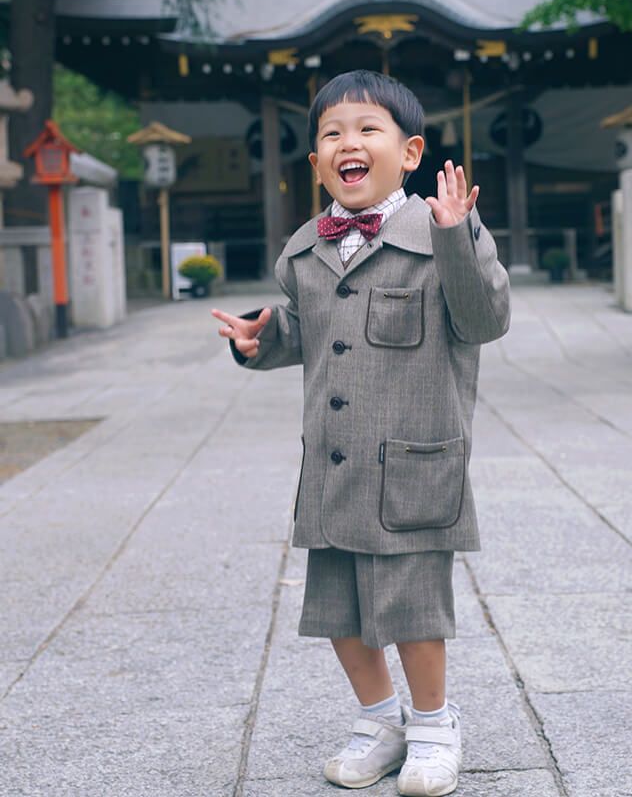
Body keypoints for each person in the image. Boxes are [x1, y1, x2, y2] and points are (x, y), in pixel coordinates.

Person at [212, 70, 510, 796]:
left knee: (411, 606)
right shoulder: (306, 250)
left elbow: (484, 319)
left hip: (414, 463)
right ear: (315, 162)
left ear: (409, 152)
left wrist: (454, 236)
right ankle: (379, 721)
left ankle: (436, 726)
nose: (349, 143)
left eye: (368, 130)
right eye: (332, 134)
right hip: (336, 462)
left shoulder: (442, 233)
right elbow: (304, 328)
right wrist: (260, 340)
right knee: (339, 608)